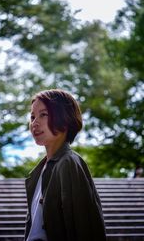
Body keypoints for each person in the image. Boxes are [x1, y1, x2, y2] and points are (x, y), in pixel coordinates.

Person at [24, 89, 107, 241]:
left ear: (64, 118)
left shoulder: (68, 163)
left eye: (43, 114)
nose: (34, 123)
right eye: (32, 116)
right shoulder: (39, 171)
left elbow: (86, 227)